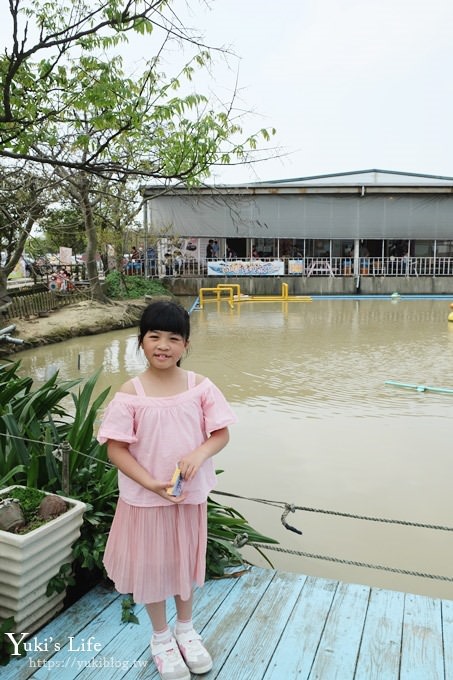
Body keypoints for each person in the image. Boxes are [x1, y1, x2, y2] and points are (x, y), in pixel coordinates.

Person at [97, 300, 236, 680]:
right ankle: (160, 637)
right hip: (145, 500)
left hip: (187, 498)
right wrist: (150, 483)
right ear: (141, 342)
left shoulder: (200, 387)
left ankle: (186, 630)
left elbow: (220, 433)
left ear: (186, 345)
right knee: (153, 568)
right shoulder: (131, 392)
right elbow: (115, 448)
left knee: (184, 563)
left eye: (173, 338)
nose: (163, 345)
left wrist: (199, 452)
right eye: (154, 336)